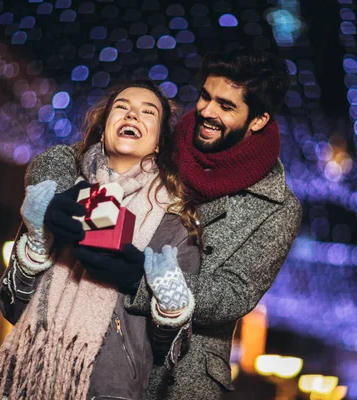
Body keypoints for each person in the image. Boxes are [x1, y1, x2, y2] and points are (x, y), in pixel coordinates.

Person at [100, 48, 303, 398]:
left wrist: (143, 280)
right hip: (106, 336)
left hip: (183, 375)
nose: (207, 111)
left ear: (258, 120)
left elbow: (234, 294)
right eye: (206, 97)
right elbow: (86, 157)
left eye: (226, 106)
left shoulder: (278, 207)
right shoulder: (162, 145)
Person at [0, 81, 201, 400]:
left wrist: (171, 303)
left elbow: (166, 357)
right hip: (29, 385)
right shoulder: (64, 198)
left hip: (107, 391)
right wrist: (36, 243)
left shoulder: (174, 222)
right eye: (122, 107)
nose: (132, 115)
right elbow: (12, 306)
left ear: (158, 143)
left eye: (147, 112)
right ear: (103, 131)